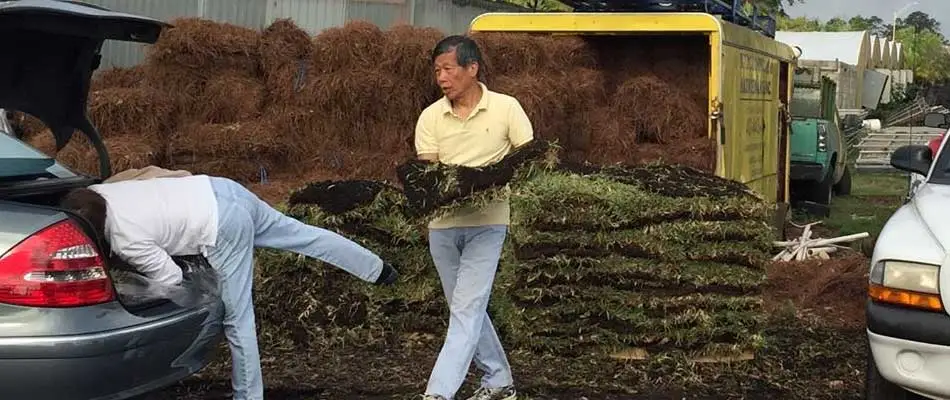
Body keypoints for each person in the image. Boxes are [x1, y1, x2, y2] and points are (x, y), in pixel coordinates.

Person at [58, 174, 398, 400]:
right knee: (301, 235)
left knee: (238, 318)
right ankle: (378, 269)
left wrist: (141, 291)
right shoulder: (101, 192)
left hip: (221, 225)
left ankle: (249, 396)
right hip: (221, 189)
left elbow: (171, 278)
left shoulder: (126, 240)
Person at [413, 35, 534, 400]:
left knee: (466, 309)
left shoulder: (506, 108)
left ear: (472, 68)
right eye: (437, 71)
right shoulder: (431, 117)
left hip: (488, 223)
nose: (441, 78)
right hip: (443, 228)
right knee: (467, 309)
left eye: (448, 69)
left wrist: (494, 181)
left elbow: (528, 159)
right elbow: (429, 177)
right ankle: (499, 382)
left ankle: (438, 393)